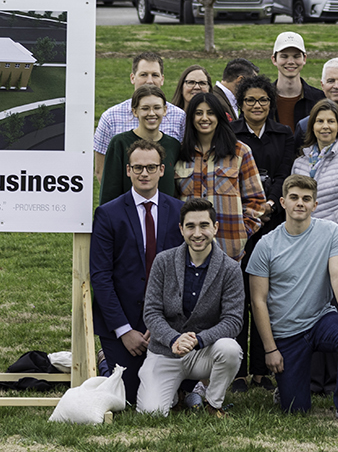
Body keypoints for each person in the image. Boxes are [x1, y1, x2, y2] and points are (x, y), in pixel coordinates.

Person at [247, 174, 338, 418]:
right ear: (283, 202)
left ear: (315, 205)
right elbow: (258, 301)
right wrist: (270, 349)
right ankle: (287, 387)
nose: (300, 203)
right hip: (286, 332)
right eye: (294, 198)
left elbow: (337, 275)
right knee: (296, 410)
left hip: (321, 319)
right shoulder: (266, 245)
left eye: (306, 199)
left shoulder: (330, 231)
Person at [89, 138, 180, 404]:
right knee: (127, 397)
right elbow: (101, 277)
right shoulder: (108, 214)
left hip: (166, 321)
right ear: (127, 170)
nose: (144, 173)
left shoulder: (178, 212)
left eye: (151, 167)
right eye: (137, 167)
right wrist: (123, 330)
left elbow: (181, 274)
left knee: (165, 395)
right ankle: (105, 359)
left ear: (162, 170)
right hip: (123, 322)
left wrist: (163, 325)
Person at [136, 196, 246, 417]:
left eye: (204, 225)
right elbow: (151, 312)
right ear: (181, 229)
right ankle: (176, 395)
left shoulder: (231, 269)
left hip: (204, 352)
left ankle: (213, 404)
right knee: (151, 413)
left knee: (231, 350)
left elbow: (233, 321)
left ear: (215, 228)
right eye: (191, 226)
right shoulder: (163, 262)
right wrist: (174, 339)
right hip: (165, 351)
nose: (197, 233)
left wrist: (199, 339)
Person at [175, 91, 265, 261]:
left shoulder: (240, 152)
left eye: (210, 113)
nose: (204, 118)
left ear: (219, 116)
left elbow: (256, 201)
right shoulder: (179, 153)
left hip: (229, 250)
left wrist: (242, 232)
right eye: (198, 113)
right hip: (186, 251)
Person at [91, 54, 184, 186]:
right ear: (132, 78)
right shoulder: (111, 118)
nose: (150, 81)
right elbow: (101, 172)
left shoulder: (179, 117)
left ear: (162, 79)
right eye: (144, 75)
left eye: (155, 75)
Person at [291, 101, 338, 247]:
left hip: (335, 246)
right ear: (312, 126)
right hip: (302, 245)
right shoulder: (299, 163)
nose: (325, 126)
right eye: (320, 121)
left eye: (331, 121)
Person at [98, 86, 180, 205]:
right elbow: (109, 192)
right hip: (127, 218)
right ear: (135, 111)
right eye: (145, 108)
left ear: (165, 110)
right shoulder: (120, 143)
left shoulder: (173, 145)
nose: (151, 113)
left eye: (157, 108)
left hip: (165, 218)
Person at [233, 83, 299, 194]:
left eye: (263, 100)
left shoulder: (283, 134)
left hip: (275, 203)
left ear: (270, 104)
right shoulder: (229, 133)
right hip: (239, 202)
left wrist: (271, 203)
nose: (257, 105)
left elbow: (284, 173)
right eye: (250, 100)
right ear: (241, 104)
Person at [265, 33, 326, 132]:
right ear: (274, 59)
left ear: (304, 59)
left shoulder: (320, 99)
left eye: (296, 56)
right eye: (284, 56)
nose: (290, 61)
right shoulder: (262, 99)